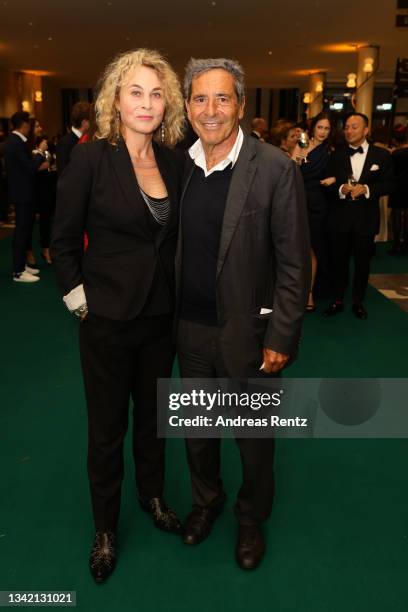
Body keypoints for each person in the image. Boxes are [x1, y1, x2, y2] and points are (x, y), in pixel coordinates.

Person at [51, 48, 185, 584]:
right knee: (107, 429)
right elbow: (61, 242)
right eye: (136, 91)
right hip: (106, 318)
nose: (147, 102)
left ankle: (152, 496)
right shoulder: (90, 158)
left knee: (153, 419)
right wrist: (80, 302)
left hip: (161, 317)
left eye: (156, 93)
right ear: (115, 98)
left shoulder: (174, 159)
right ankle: (105, 528)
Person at [176, 57, 310, 570]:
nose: (211, 110)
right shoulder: (179, 164)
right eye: (200, 99)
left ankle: (250, 518)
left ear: (241, 105)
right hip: (188, 329)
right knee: (197, 431)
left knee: (253, 440)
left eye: (222, 98)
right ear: (187, 107)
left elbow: (294, 264)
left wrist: (282, 335)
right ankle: (206, 503)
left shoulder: (274, 167)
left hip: (251, 336)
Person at [323, 113, 395, 320]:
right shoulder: (336, 155)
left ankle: (358, 301)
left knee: (363, 263)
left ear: (366, 130)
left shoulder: (381, 156)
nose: (349, 131)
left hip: (366, 219)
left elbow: (391, 184)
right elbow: (327, 183)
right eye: (346, 127)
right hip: (340, 218)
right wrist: (340, 189)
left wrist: (367, 189)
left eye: (354, 127)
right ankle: (337, 299)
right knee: (339, 262)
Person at [292, 112, 335, 310]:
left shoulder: (330, 151)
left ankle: (310, 294)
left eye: (327, 128)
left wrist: (335, 179)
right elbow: (290, 171)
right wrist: (296, 159)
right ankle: (293, 292)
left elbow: (339, 174)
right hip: (297, 200)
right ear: (313, 128)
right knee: (296, 249)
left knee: (312, 248)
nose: (323, 132)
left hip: (318, 203)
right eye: (320, 127)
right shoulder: (301, 144)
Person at [4, 111, 49, 283]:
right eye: (29, 124)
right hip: (23, 193)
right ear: (23, 124)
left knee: (25, 231)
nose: (30, 127)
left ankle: (22, 265)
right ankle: (18, 271)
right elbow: (29, 169)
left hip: (23, 193)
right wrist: (40, 152)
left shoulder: (14, 142)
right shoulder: (15, 143)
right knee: (22, 232)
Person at [56, 101, 90, 176]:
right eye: (91, 120)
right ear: (84, 122)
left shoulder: (90, 139)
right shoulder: (64, 143)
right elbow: (63, 174)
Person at [388, 130, 408, 254]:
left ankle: (396, 246)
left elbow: (391, 172)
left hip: (397, 186)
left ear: (395, 140)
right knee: (407, 216)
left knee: (396, 214)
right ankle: (406, 245)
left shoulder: (394, 154)